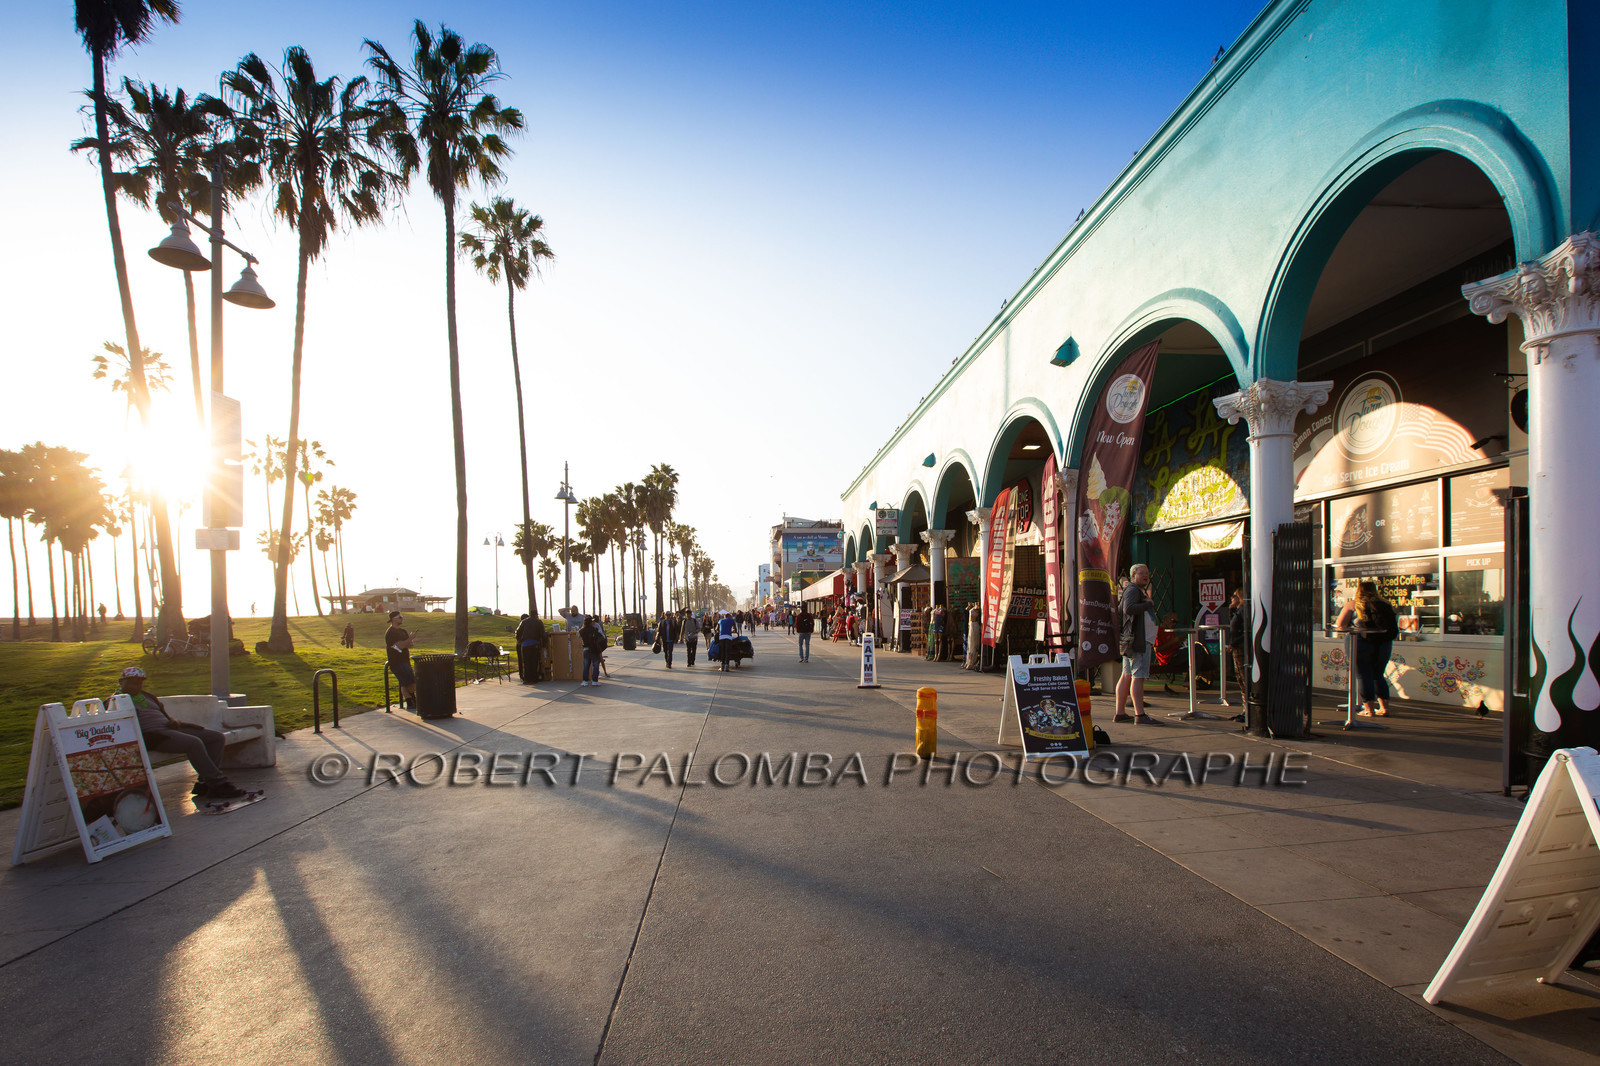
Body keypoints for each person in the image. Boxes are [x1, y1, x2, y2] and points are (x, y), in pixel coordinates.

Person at [115, 667, 248, 799]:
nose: (135, 686)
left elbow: (164, 715)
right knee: (193, 743)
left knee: (215, 738)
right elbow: (121, 728)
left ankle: (205, 783)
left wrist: (173, 721)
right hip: (153, 736)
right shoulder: (116, 702)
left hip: (169, 729)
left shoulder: (147, 697)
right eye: (131, 682)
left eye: (138, 682)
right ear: (121, 682)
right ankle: (219, 784)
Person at [1336, 581, 1398, 718]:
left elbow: (1340, 625)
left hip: (1360, 642)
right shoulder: (1386, 604)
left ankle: (1369, 709)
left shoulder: (1353, 604)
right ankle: (1384, 708)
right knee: (1378, 674)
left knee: (1363, 675)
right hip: (1383, 643)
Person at [1115, 563, 1158, 724]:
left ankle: (1120, 713)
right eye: (1142, 573)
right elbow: (1128, 608)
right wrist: (1148, 604)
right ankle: (1140, 714)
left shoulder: (1134, 590)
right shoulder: (1133, 590)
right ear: (1133, 576)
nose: (1146, 576)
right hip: (1139, 641)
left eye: (1147, 573)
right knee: (1137, 676)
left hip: (1133, 640)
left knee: (1127, 675)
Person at [384, 611, 417, 709]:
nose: (401, 618)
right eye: (399, 617)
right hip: (396, 661)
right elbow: (400, 646)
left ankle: (410, 702)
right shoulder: (390, 633)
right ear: (393, 619)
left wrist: (409, 640)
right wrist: (409, 639)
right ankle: (413, 699)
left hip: (405, 659)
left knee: (404, 682)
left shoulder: (403, 631)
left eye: (401, 617)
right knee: (410, 682)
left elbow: (410, 645)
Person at [1227, 589, 1248, 705]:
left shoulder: (1245, 610)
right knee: (1240, 677)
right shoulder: (1239, 610)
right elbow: (1232, 624)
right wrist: (1231, 609)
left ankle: (1247, 707)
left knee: (1244, 677)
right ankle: (1245, 706)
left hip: (1240, 646)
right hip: (1236, 645)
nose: (1232, 597)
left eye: (1234, 595)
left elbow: (1246, 630)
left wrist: (1234, 643)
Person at [515, 612, 546, 683]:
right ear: (536, 615)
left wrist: (519, 640)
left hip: (525, 644)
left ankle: (527, 678)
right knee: (534, 662)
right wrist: (544, 645)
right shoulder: (539, 622)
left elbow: (518, 632)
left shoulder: (524, 622)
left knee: (526, 662)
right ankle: (534, 678)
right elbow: (543, 634)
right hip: (535, 644)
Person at [579, 615, 607, 687]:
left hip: (586, 649)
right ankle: (594, 681)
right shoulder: (595, 630)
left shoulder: (582, 630)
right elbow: (602, 637)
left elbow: (577, 635)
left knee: (586, 666)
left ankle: (585, 681)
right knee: (596, 665)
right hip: (594, 650)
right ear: (591, 623)